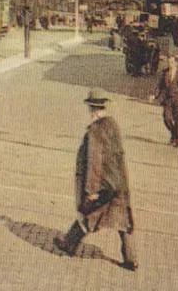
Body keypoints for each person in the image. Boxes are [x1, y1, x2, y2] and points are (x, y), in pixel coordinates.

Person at [54, 88, 138, 271]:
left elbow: (94, 162)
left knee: (87, 214)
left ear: (92, 109)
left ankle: (68, 244)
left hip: (102, 187)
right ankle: (131, 258)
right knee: (122, 221)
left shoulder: (95, 131)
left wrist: (91, 191)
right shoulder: (113, 125)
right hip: (118, 183)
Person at [151, 53, 178, 147]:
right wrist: (154, 95)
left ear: (175, 63)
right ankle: (174, 134)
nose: (170, 64)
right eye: (168, 62)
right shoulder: (164, 73)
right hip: (167, 99)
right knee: (167, 118)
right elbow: (159, 86)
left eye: (172, 62)